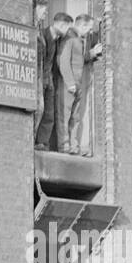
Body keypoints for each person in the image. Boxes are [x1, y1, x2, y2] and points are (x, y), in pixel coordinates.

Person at [62, 15, 103, 156]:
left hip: (78, 83)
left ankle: (74, 144)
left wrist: (93, 53)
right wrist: (70, 82)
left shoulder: (79, 39)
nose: (90, 32)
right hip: (70, 84)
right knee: (65, 114)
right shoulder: (69, 38)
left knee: (76, 116)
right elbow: (63, 61)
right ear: (82, 26)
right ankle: (65, 145)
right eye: (89, 29)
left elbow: (81, 59)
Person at [36, 11, 72, 150]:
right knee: (39, 110)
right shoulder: (43, 35)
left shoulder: (58, 40)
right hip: (40, 79)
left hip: (49, 80)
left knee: (49, 113)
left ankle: (42, 142)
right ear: (62, 25)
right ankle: (35, 140)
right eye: (67, 27)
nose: (68, 31)